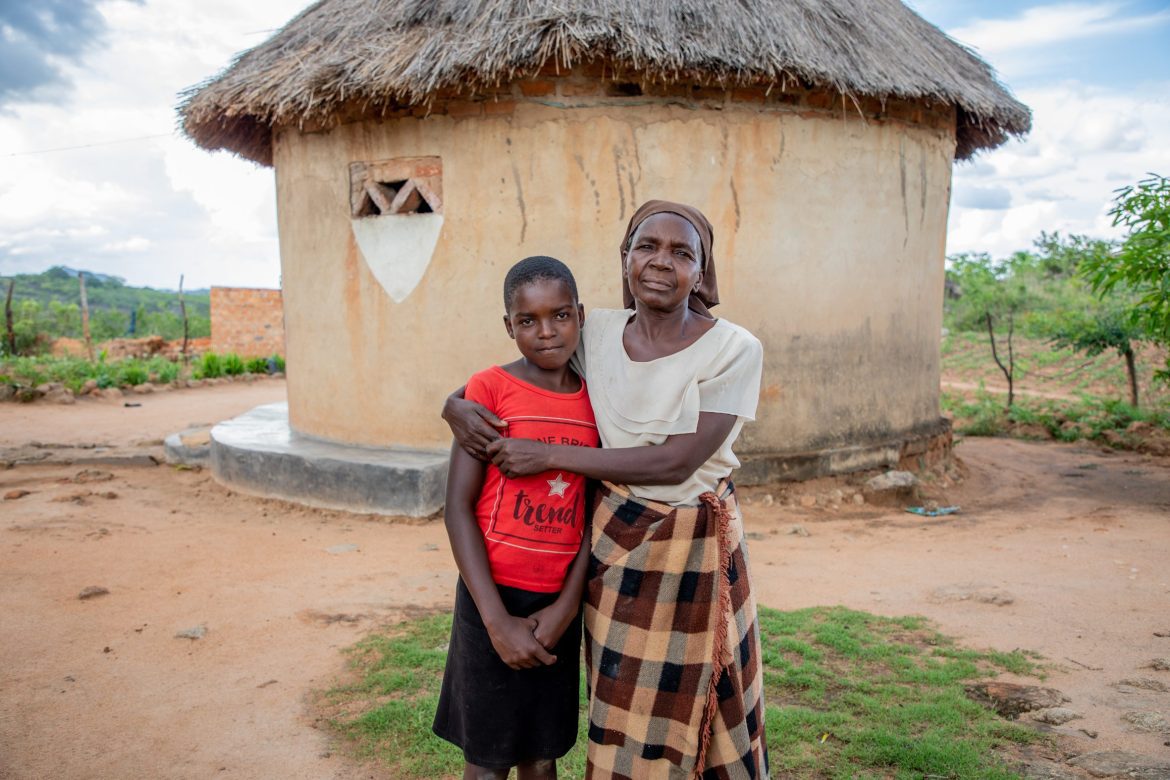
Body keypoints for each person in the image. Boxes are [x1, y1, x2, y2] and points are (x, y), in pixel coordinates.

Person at [444, 201, 769, 779]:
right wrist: (454, 405)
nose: (661, 262)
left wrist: (547, 456)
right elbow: (515, 375)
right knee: (623, 700)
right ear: (625, 259)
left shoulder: (735, 348)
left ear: (702, 270)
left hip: (693, 544)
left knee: (710, 690)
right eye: (647, 246)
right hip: (611, 548)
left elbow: (677, 460)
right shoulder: (595, 333)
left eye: (682, 252)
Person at [432, 256, 599, 780]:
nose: (546, 332)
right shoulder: (489, 389)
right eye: (528, 321)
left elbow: (593, 513)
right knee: (486, 761)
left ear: (581, 316)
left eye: (561, 316)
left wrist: (567, 607)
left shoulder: (600, 401)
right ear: (509, 326)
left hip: (556, 608)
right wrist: (495, 620)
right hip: (489, 598)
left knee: (540, 754)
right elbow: (457, 507)